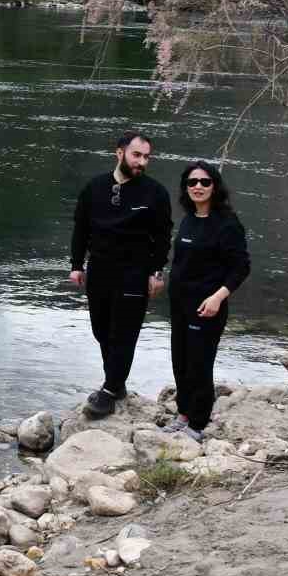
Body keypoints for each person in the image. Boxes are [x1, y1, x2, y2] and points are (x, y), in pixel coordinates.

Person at [69, 132, 174, 417]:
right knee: (101, 330)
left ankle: (109, 391)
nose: (141, 162)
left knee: (123, 333)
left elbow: (163, 236)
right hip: (100, 270)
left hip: (134, 273)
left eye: (146, 157)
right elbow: (81, 228)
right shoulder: (94, 188)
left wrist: (156, 271)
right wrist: (76, 265)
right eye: (136, 155)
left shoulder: (155, 193)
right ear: (119, 153)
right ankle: (116, 383)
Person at [164, 161, 250, 442]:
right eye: (192, 182)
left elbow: (240, 267)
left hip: (208, 306)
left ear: (215, 186)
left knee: (200, 363)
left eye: (204, 182)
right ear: (185, 188)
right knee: (180, 360)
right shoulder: (189, 218)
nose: (198, 187)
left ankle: (198, 423)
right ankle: (184, 414)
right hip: (180, 304)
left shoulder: (227, 223)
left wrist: (217, 297)